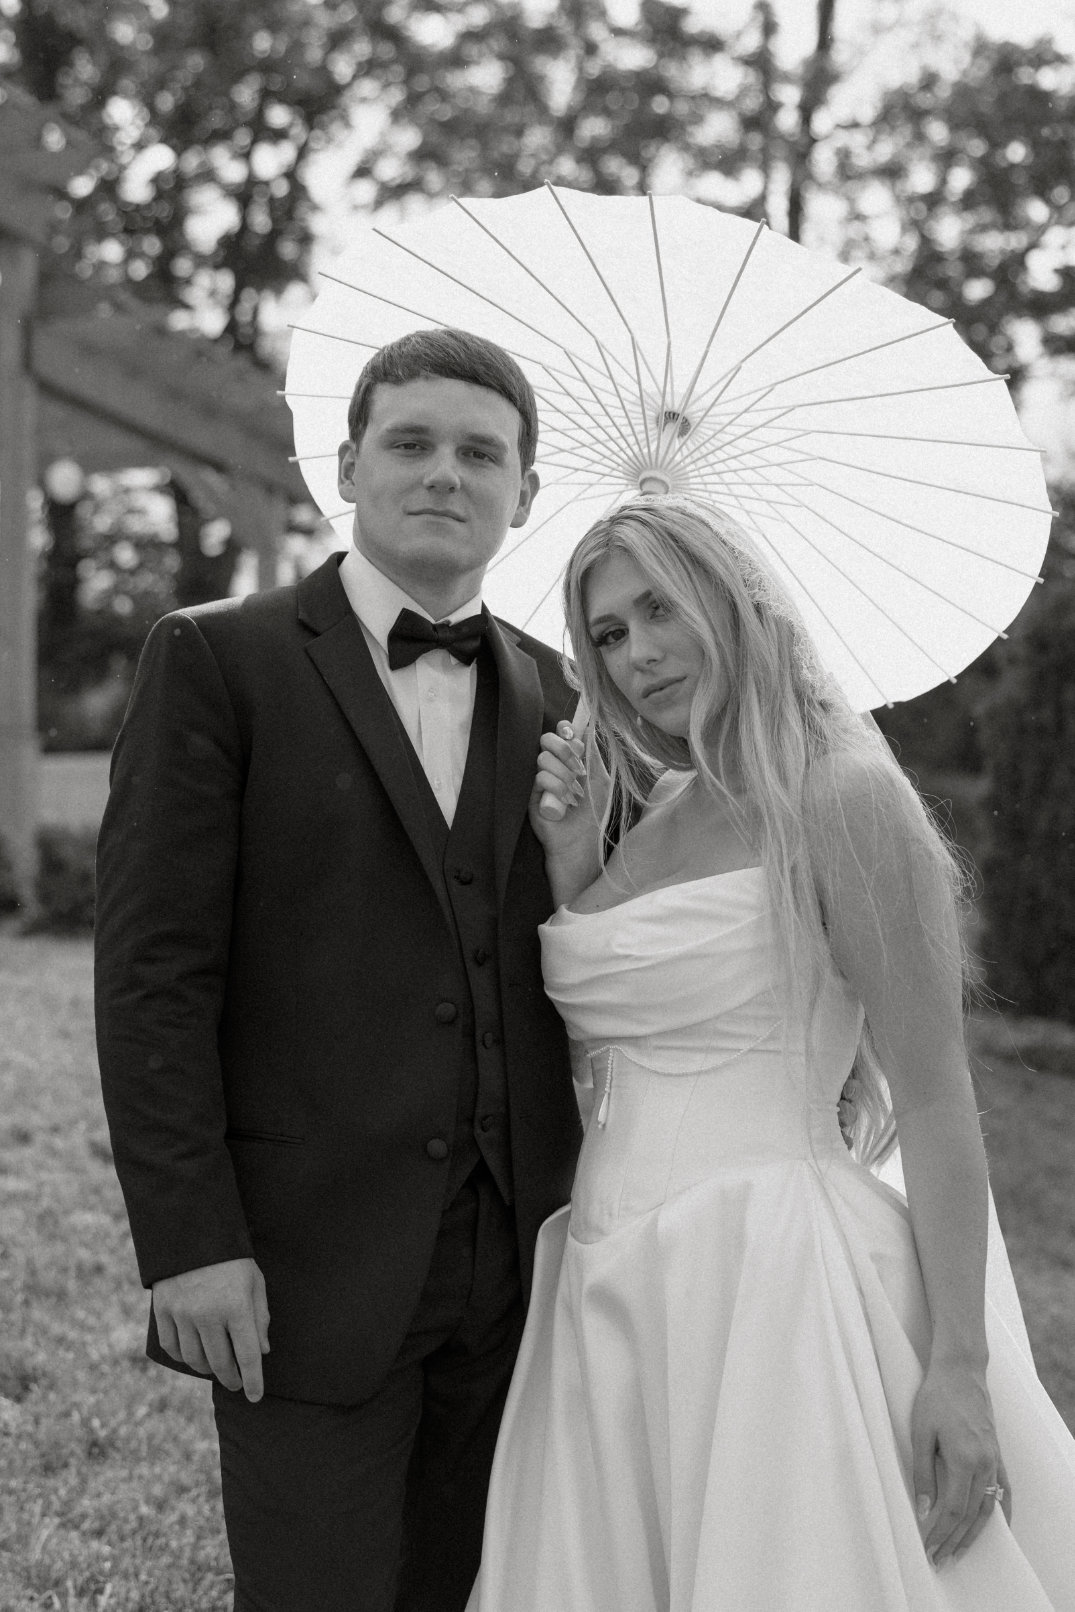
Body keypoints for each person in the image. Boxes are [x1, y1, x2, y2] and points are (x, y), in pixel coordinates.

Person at [466, 493, 1075, 1611]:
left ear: (736, 600)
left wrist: (958, 1366)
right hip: (610, 1278)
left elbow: (937, 1102)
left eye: (660, 607)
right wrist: (569, 865)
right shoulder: (655, 811)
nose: (638, 653)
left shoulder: (840, 800)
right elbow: (618, 1044)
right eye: (607, 632)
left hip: (777, 1277)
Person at [94, 327, 583, 1612]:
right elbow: (154, 973)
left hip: (525, 1275)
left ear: (524, 494)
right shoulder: (218, 659)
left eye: (482, 454)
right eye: (411, 442)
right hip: (303, 1269)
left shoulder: (563, 694)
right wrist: (189, 1244)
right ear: (346, 466)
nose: (444, 473)